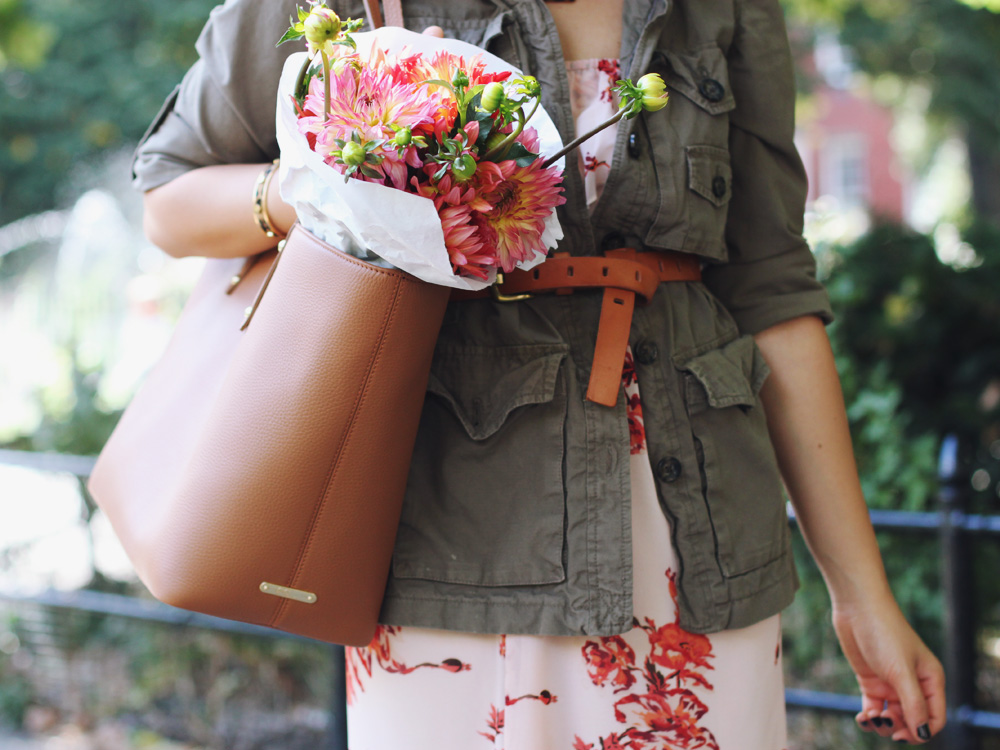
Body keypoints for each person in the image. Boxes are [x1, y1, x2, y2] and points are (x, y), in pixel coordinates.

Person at [133, 0, 946, 746]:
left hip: (699, 553)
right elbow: (170, 196)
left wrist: (862, 592)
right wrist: (315, 186)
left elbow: (772, 289)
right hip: (452, 555)